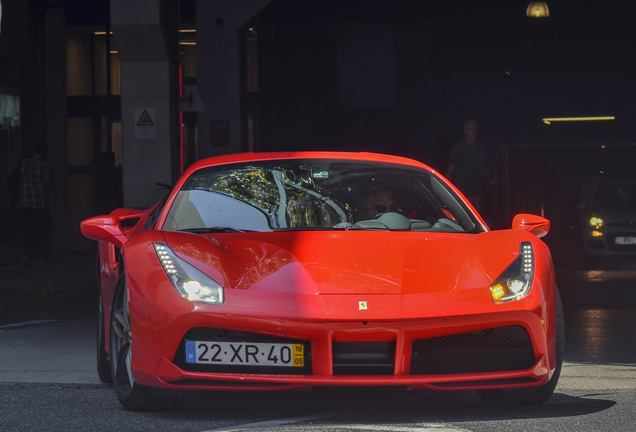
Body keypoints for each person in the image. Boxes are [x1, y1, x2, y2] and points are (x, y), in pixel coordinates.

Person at [19, 142, 55, 264]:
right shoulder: (43, 165)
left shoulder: (24, 163)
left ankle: (26, 255)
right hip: (40, 202)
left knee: (28, 229)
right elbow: (48, 186)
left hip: (26, 201)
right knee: (42, 230)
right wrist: (53, 205)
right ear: (45, 152)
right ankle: (42, 256)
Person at [446, 118, 492, 210]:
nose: (473, 132)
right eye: (471, 129)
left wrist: (490, 177)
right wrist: (448, 193)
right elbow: (450, 172)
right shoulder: (458, 148)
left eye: (475, 129)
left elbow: (485, 169)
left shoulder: (482, 148)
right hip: (464, 193)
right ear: (465, 130)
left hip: (479, 192)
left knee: (478, 217)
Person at [94, 150, 123, 215]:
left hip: (103, 199)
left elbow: (95, 187)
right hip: (113, 199)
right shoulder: (116, 172)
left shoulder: (99, 172)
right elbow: (119, 185)